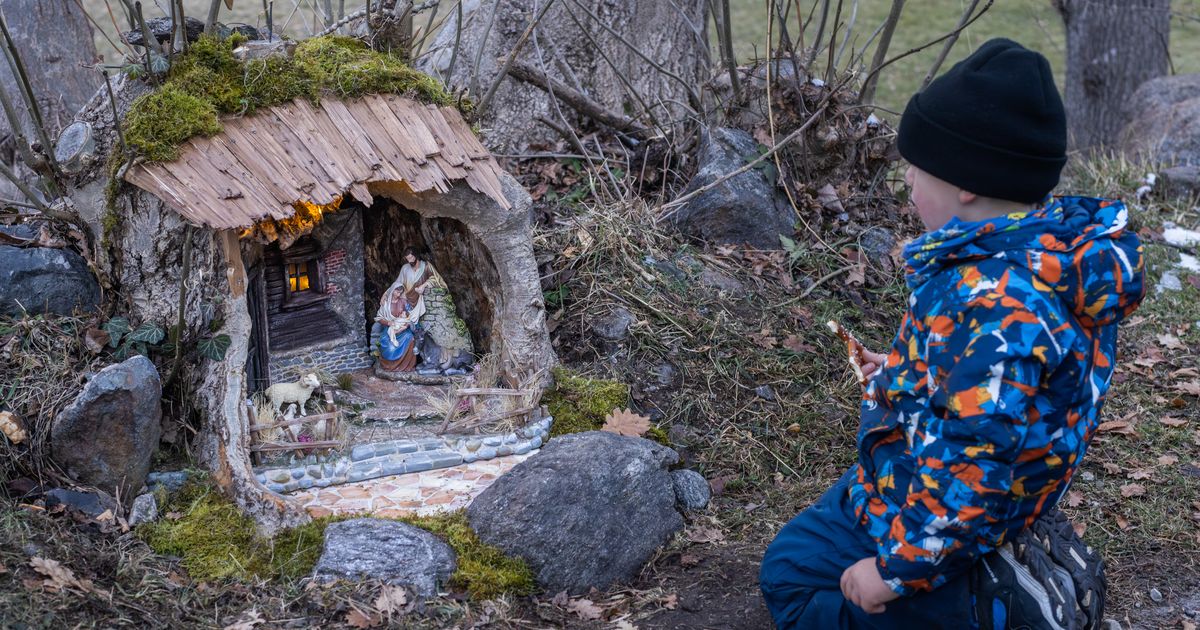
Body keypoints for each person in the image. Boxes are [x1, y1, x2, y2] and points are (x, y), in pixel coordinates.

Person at [760, 39, 1145, 629]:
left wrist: (893, 574)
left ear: (964, 184)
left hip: (950, 506)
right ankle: (974, 576)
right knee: (800, 553)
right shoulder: (1049, 260)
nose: (908, 182)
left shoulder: (989, 304)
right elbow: (995, 391)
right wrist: (901, 369)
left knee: (792, 582)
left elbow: (973, 463)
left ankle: (980, 604)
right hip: (975, 483)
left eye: (916, 169)